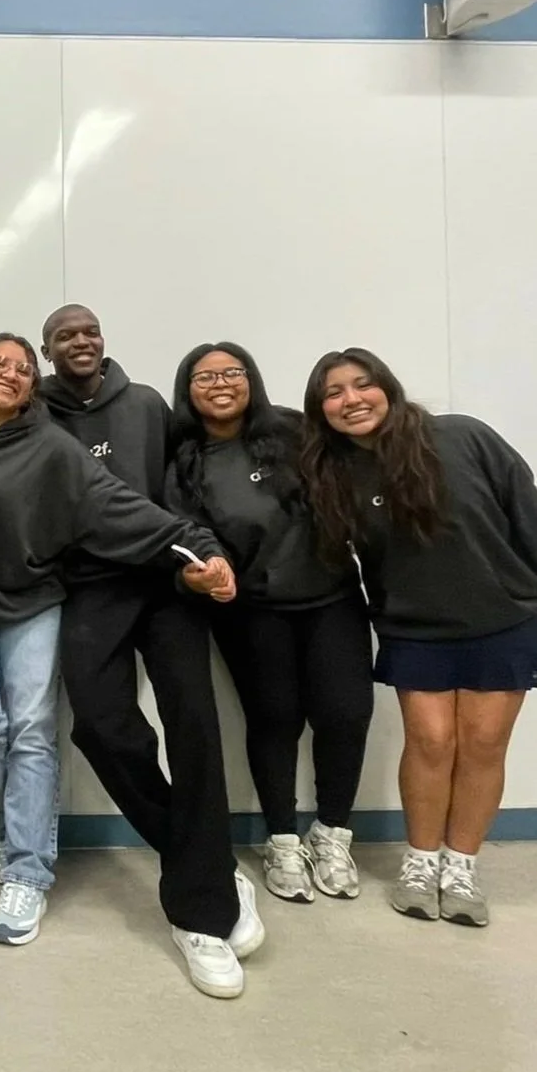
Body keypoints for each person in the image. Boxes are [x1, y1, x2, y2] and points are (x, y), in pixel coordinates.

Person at [0, 334, 229, 948]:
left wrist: (198, 546)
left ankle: (27, 868)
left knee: (30, 726)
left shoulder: (52, 445)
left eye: (23, 369)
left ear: (34, 386)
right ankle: (7, 827)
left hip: (36, 602)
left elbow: (118, 503)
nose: (11, 374)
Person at [299, 348, 537, 927]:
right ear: (320, 409)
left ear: (387, 388)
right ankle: (421, 863)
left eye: (362, 385)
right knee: (429, 743)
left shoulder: (462, 437)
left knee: (482, 747)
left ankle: (461, 867)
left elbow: (527, 508)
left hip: (500, 619)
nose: (351, 400)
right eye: (333, 393)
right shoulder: (334, 473)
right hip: (414, 629)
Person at [35, 303, 263, 998]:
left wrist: (206, 556)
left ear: (102, 340)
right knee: (101, 728)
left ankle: (198, 915)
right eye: (65, 335)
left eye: (89, 331)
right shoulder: (32, 416)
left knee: (194, 728)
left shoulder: (143, 404)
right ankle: (204, 856)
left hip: (167, 583)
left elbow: (176, 494)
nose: (80, 342)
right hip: (88, 591)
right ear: (46, 350)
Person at [166, 342, 374, 904]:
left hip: (332, 597)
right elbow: (183, 537)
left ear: (252, 378)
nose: (220, 384)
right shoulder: (185, 460)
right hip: (251, 610)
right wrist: (202, 574)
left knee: (345, 713)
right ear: (187, 390)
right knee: (274, 719)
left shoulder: (295, 430)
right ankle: (282, 839)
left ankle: (332, 833)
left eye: (232, 372)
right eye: (204, 377)